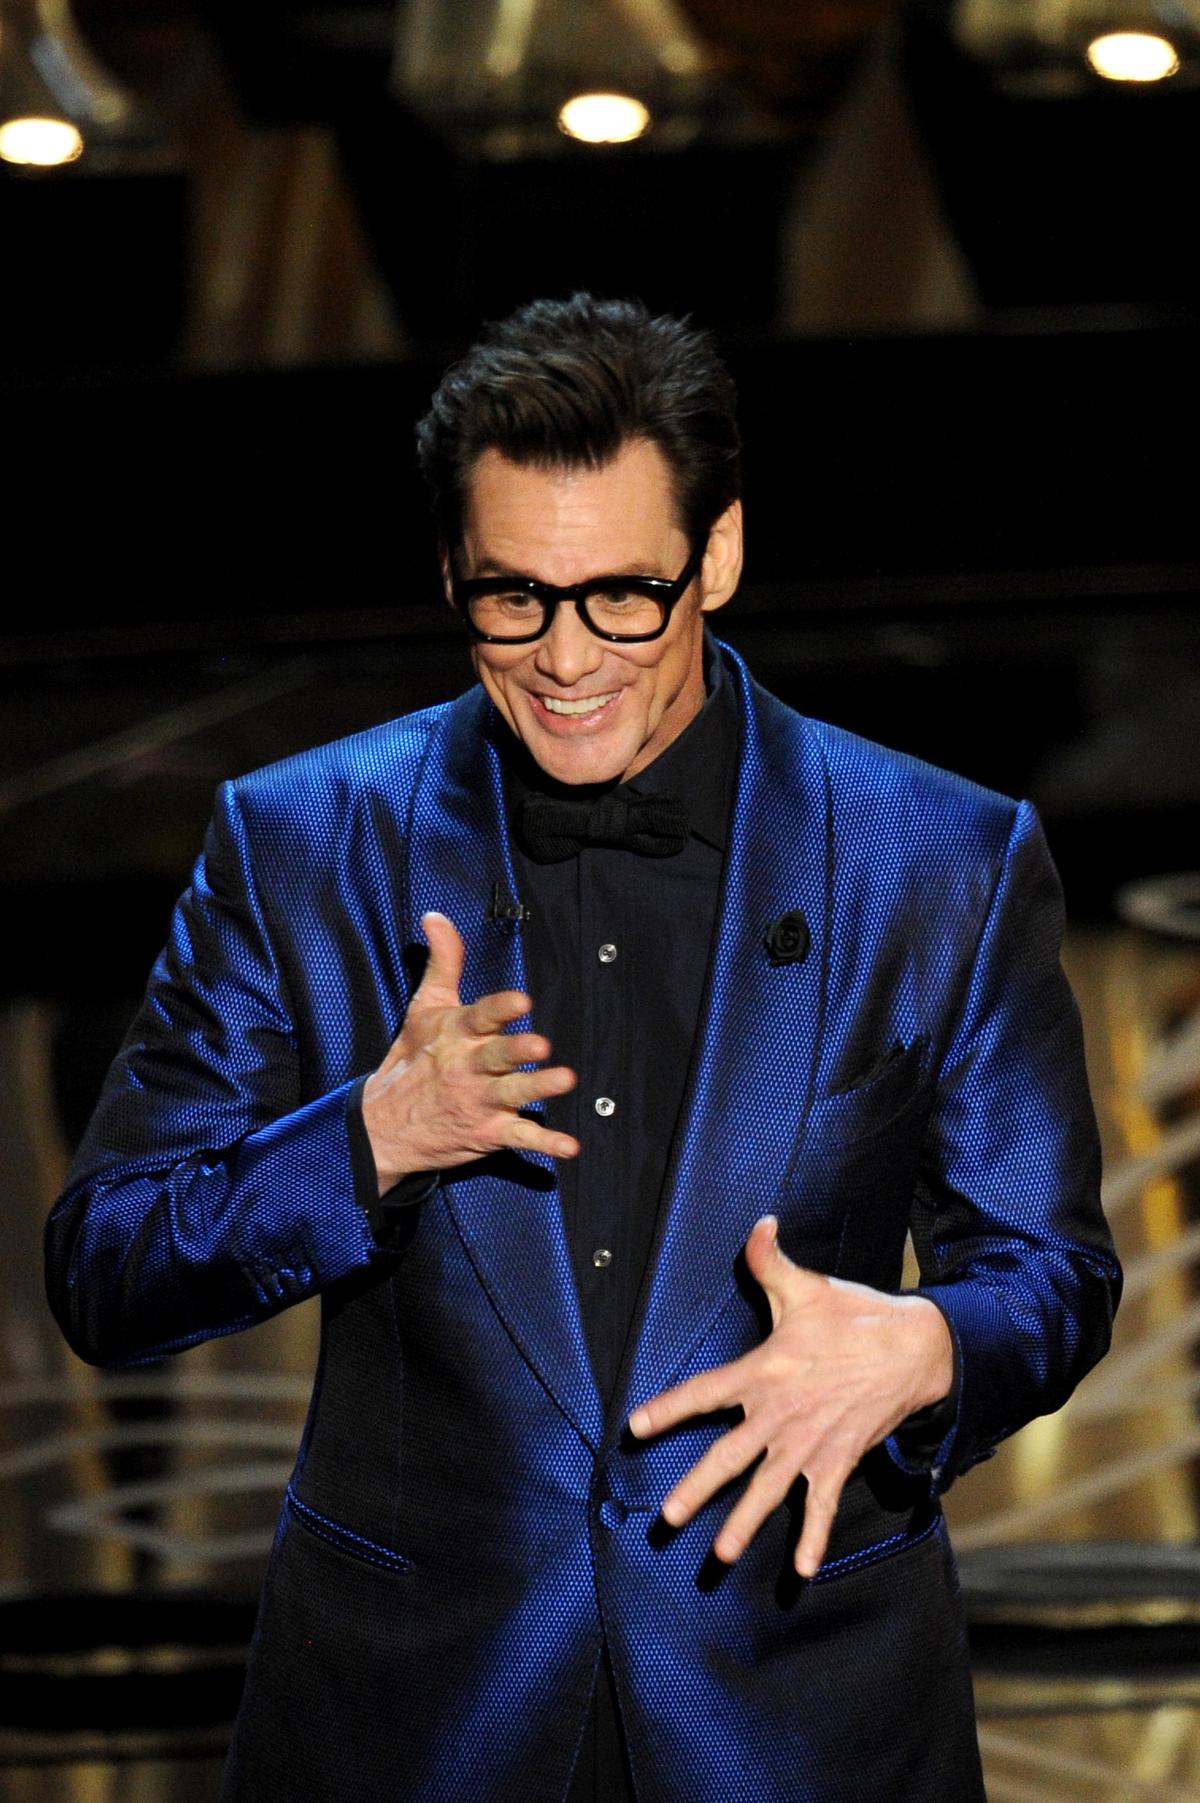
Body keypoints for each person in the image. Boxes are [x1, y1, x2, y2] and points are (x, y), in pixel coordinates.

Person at [45, 292, 1121, 1802]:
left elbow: (1053, 1275)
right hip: (412, 1728)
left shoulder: (939, 861)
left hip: (802, 1722)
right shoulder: (298, 848)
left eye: (623, 595)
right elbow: (107, 1267)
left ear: (717, 556)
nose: (565, 656)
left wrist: (930, 1346)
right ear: (453, 574)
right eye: (514, 598)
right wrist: (366, 1144)